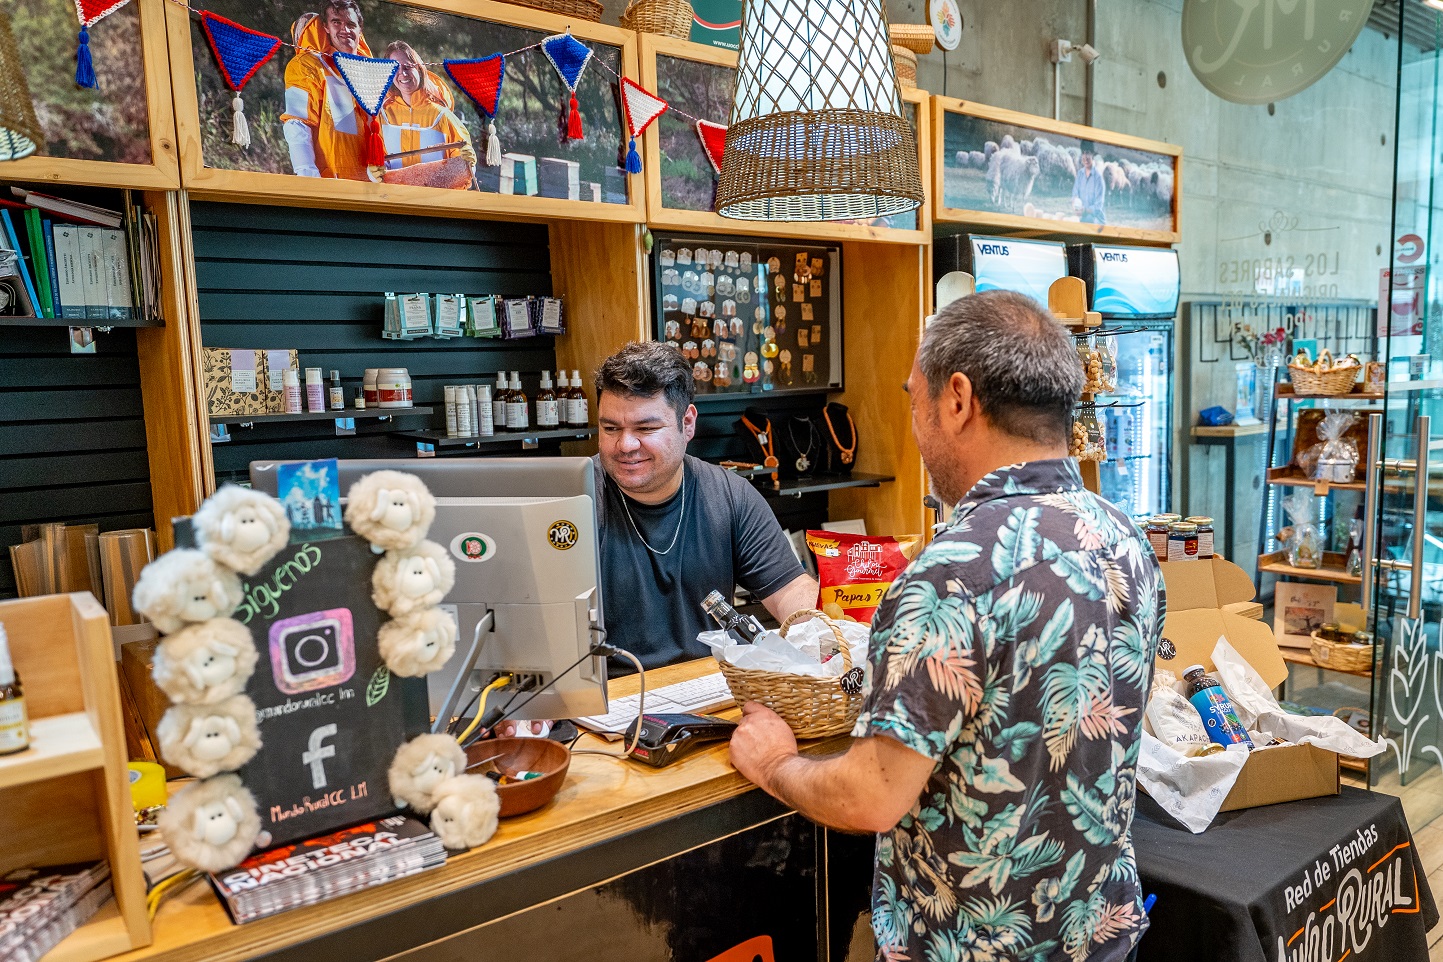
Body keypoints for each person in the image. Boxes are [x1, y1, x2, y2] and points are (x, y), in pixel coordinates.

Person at [730, 290, 1162, 962]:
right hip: (1099, 938)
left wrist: (775, 763)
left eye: (913, 400)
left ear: (956, 399)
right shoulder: (1122, 535)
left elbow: (871, 797)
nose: (915, 425)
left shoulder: (949, 576)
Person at [282, 1, 373, 181]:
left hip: (374, 185)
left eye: (350, 24)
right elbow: (296, 122)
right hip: (332, 183)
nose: (344, 29)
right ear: (326, 27)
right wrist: (308, 176)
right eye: (336, 22)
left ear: (360, 29)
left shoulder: (372, 70)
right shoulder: (308, 65)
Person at [372, 41, 476, 184]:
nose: (402, 73)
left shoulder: (443, 116)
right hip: (394, 200)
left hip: (433, 201)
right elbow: (375, 159)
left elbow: (464, 172)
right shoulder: (382, 115)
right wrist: (372, 173)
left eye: (408, 66)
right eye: (395, 68)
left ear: (419, 68)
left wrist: (469, 164)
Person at [1073, 140, 1107, 224]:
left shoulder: (1098, 179)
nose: (1085, 157)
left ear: (1092, 154)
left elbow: (1098, 207)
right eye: (1083, 153)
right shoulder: (1080, 175)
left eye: (1088, 153)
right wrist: (1075, 205)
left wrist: (1085, 210)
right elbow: (1074, 194)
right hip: (1083, 220)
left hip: (1097, 223)